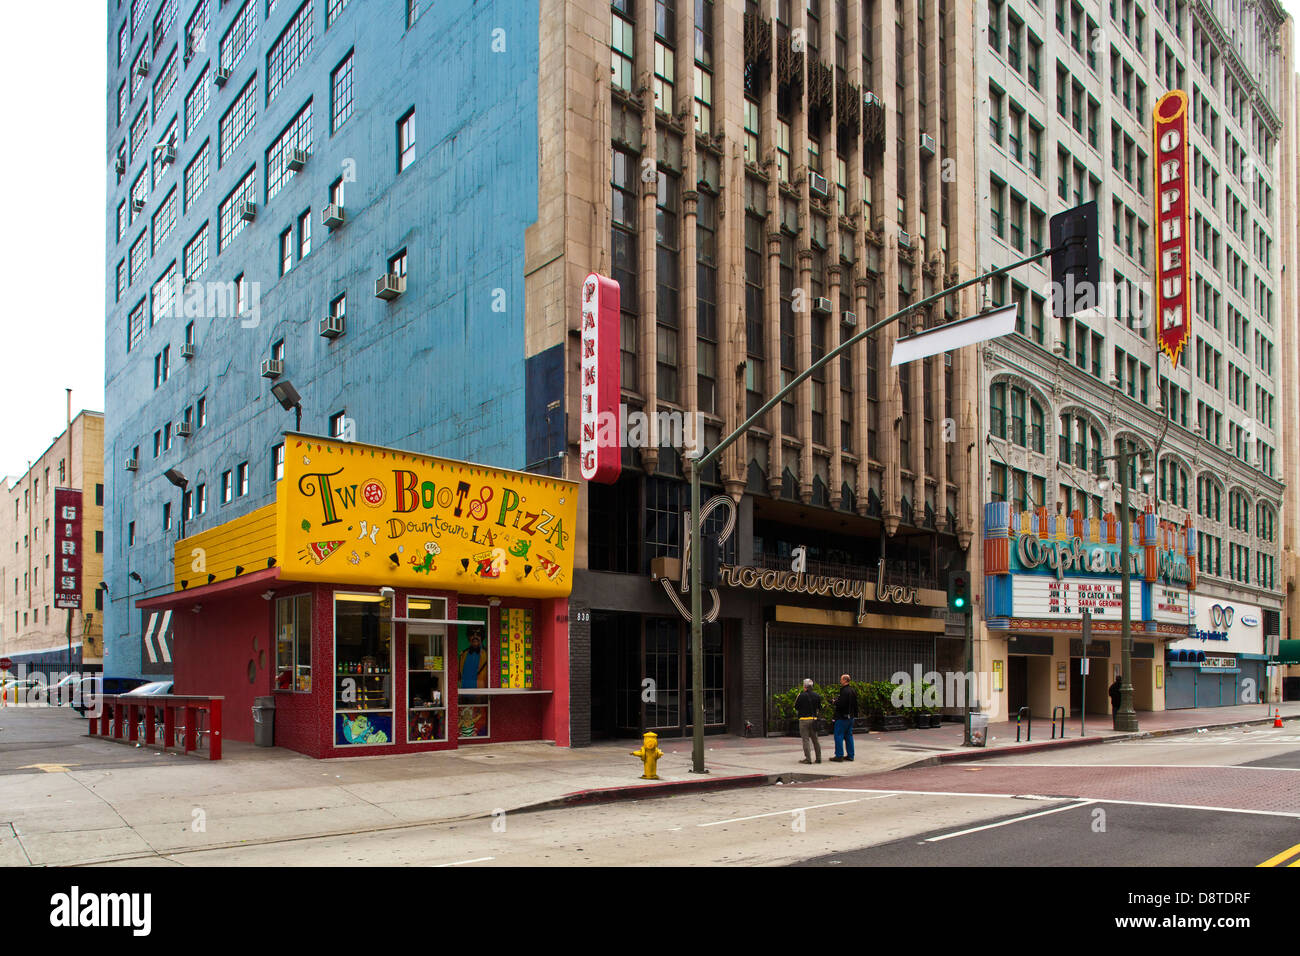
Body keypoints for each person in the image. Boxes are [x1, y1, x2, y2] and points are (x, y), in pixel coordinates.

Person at [830, 674, 858, 762]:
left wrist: (834, 702)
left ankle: (839, 755)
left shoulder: (844, 691)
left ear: (845, 680)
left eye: (841, 679)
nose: (840, 681)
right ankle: (851, 755)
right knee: (849, 736)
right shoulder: (853, 690)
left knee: (838, 735)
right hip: (851, 717)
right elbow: (855, 704)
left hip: (842, 717)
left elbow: (841, 704)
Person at [794, 678, 822, 764]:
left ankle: (808, 759)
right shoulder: (817, 695)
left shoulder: (801, 695)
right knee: (815, 740)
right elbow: (819, 708)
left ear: (804, 686)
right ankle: (818, 758)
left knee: (805, 740)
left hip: (804, 720)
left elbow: (796, 707)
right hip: (814, 720)